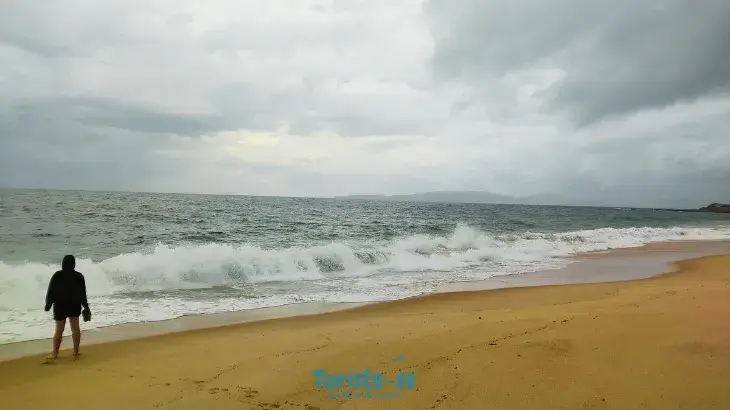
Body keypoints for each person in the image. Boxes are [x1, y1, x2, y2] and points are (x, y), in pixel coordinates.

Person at [44, 254, 91, 360]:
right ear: (74, 264)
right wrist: (86, 306)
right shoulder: (79, 276)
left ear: (63, 264)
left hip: (60, 305)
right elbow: (83, 294)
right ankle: (76, 351)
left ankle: (55, 354)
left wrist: (48, 304)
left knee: (59, 330)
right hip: (74, 305)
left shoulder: (57, 275)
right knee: (75, 329)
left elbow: (51, 291)